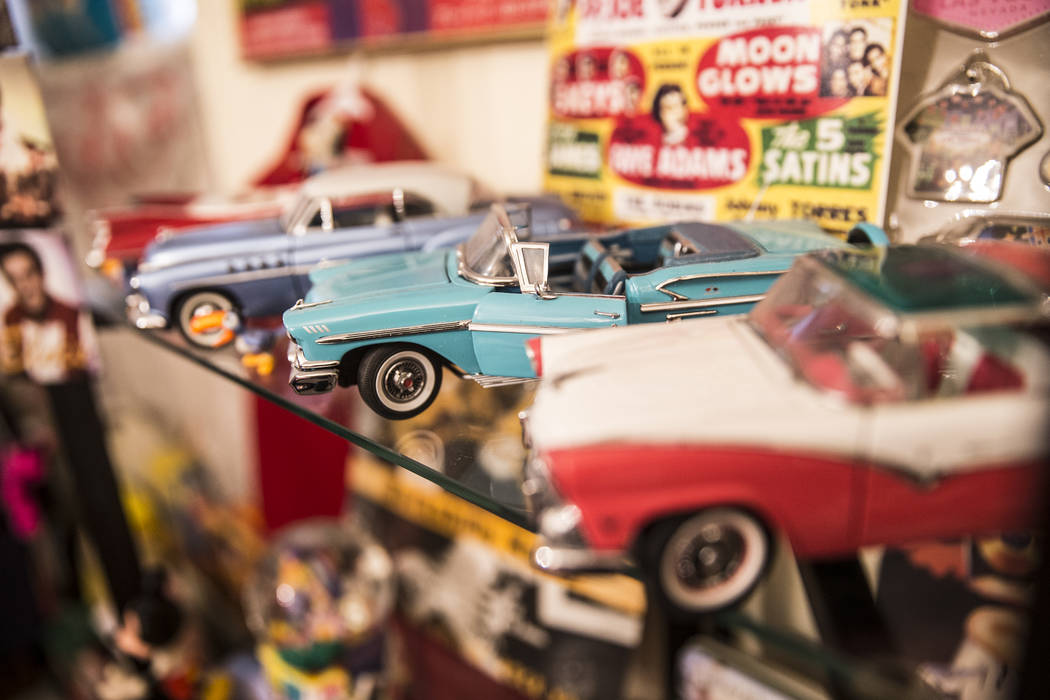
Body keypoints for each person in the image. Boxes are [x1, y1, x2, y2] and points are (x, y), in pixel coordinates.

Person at [0, 241, 90, 383]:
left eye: (29, 274)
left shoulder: (71, 314)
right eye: (14, 279)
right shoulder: (11, 318)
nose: (24, 285)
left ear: (41, 273)